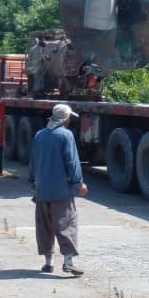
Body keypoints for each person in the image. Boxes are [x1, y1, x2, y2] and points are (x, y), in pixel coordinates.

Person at [28, 102, 88, 276]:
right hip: (61, 190)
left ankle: (48, 262)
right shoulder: (66, 135)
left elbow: (33, 161)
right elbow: (72, 161)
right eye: (69, 117)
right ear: (65, 118)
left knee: (44, 226)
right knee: (66, 224)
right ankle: (68, 262)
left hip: (42, 190)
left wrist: (34, 182)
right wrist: (79, 183)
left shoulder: (40, 135)